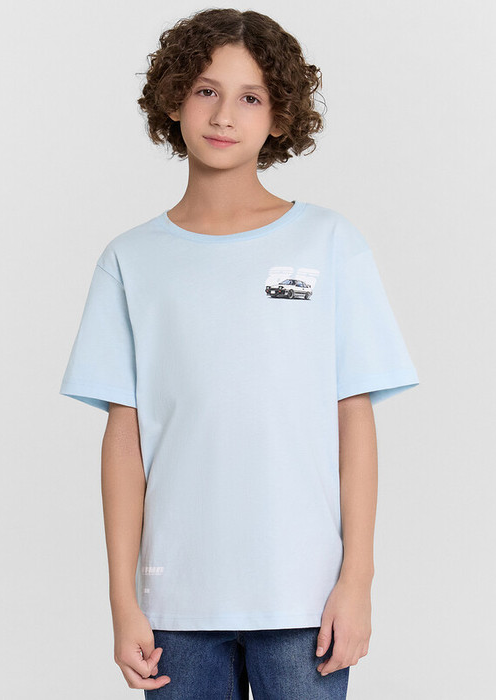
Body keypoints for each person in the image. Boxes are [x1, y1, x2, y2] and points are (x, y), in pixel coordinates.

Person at [59, 8, 419, 699]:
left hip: (305, 599)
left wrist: (357, 580)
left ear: (279, 116)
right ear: (173, 100)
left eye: (250, 97)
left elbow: (354, 417)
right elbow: (124, 438)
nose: (224, 115)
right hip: (175, 605)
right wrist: (122, 601)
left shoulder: (328, 243)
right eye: (206, 90)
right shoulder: (131, 260)